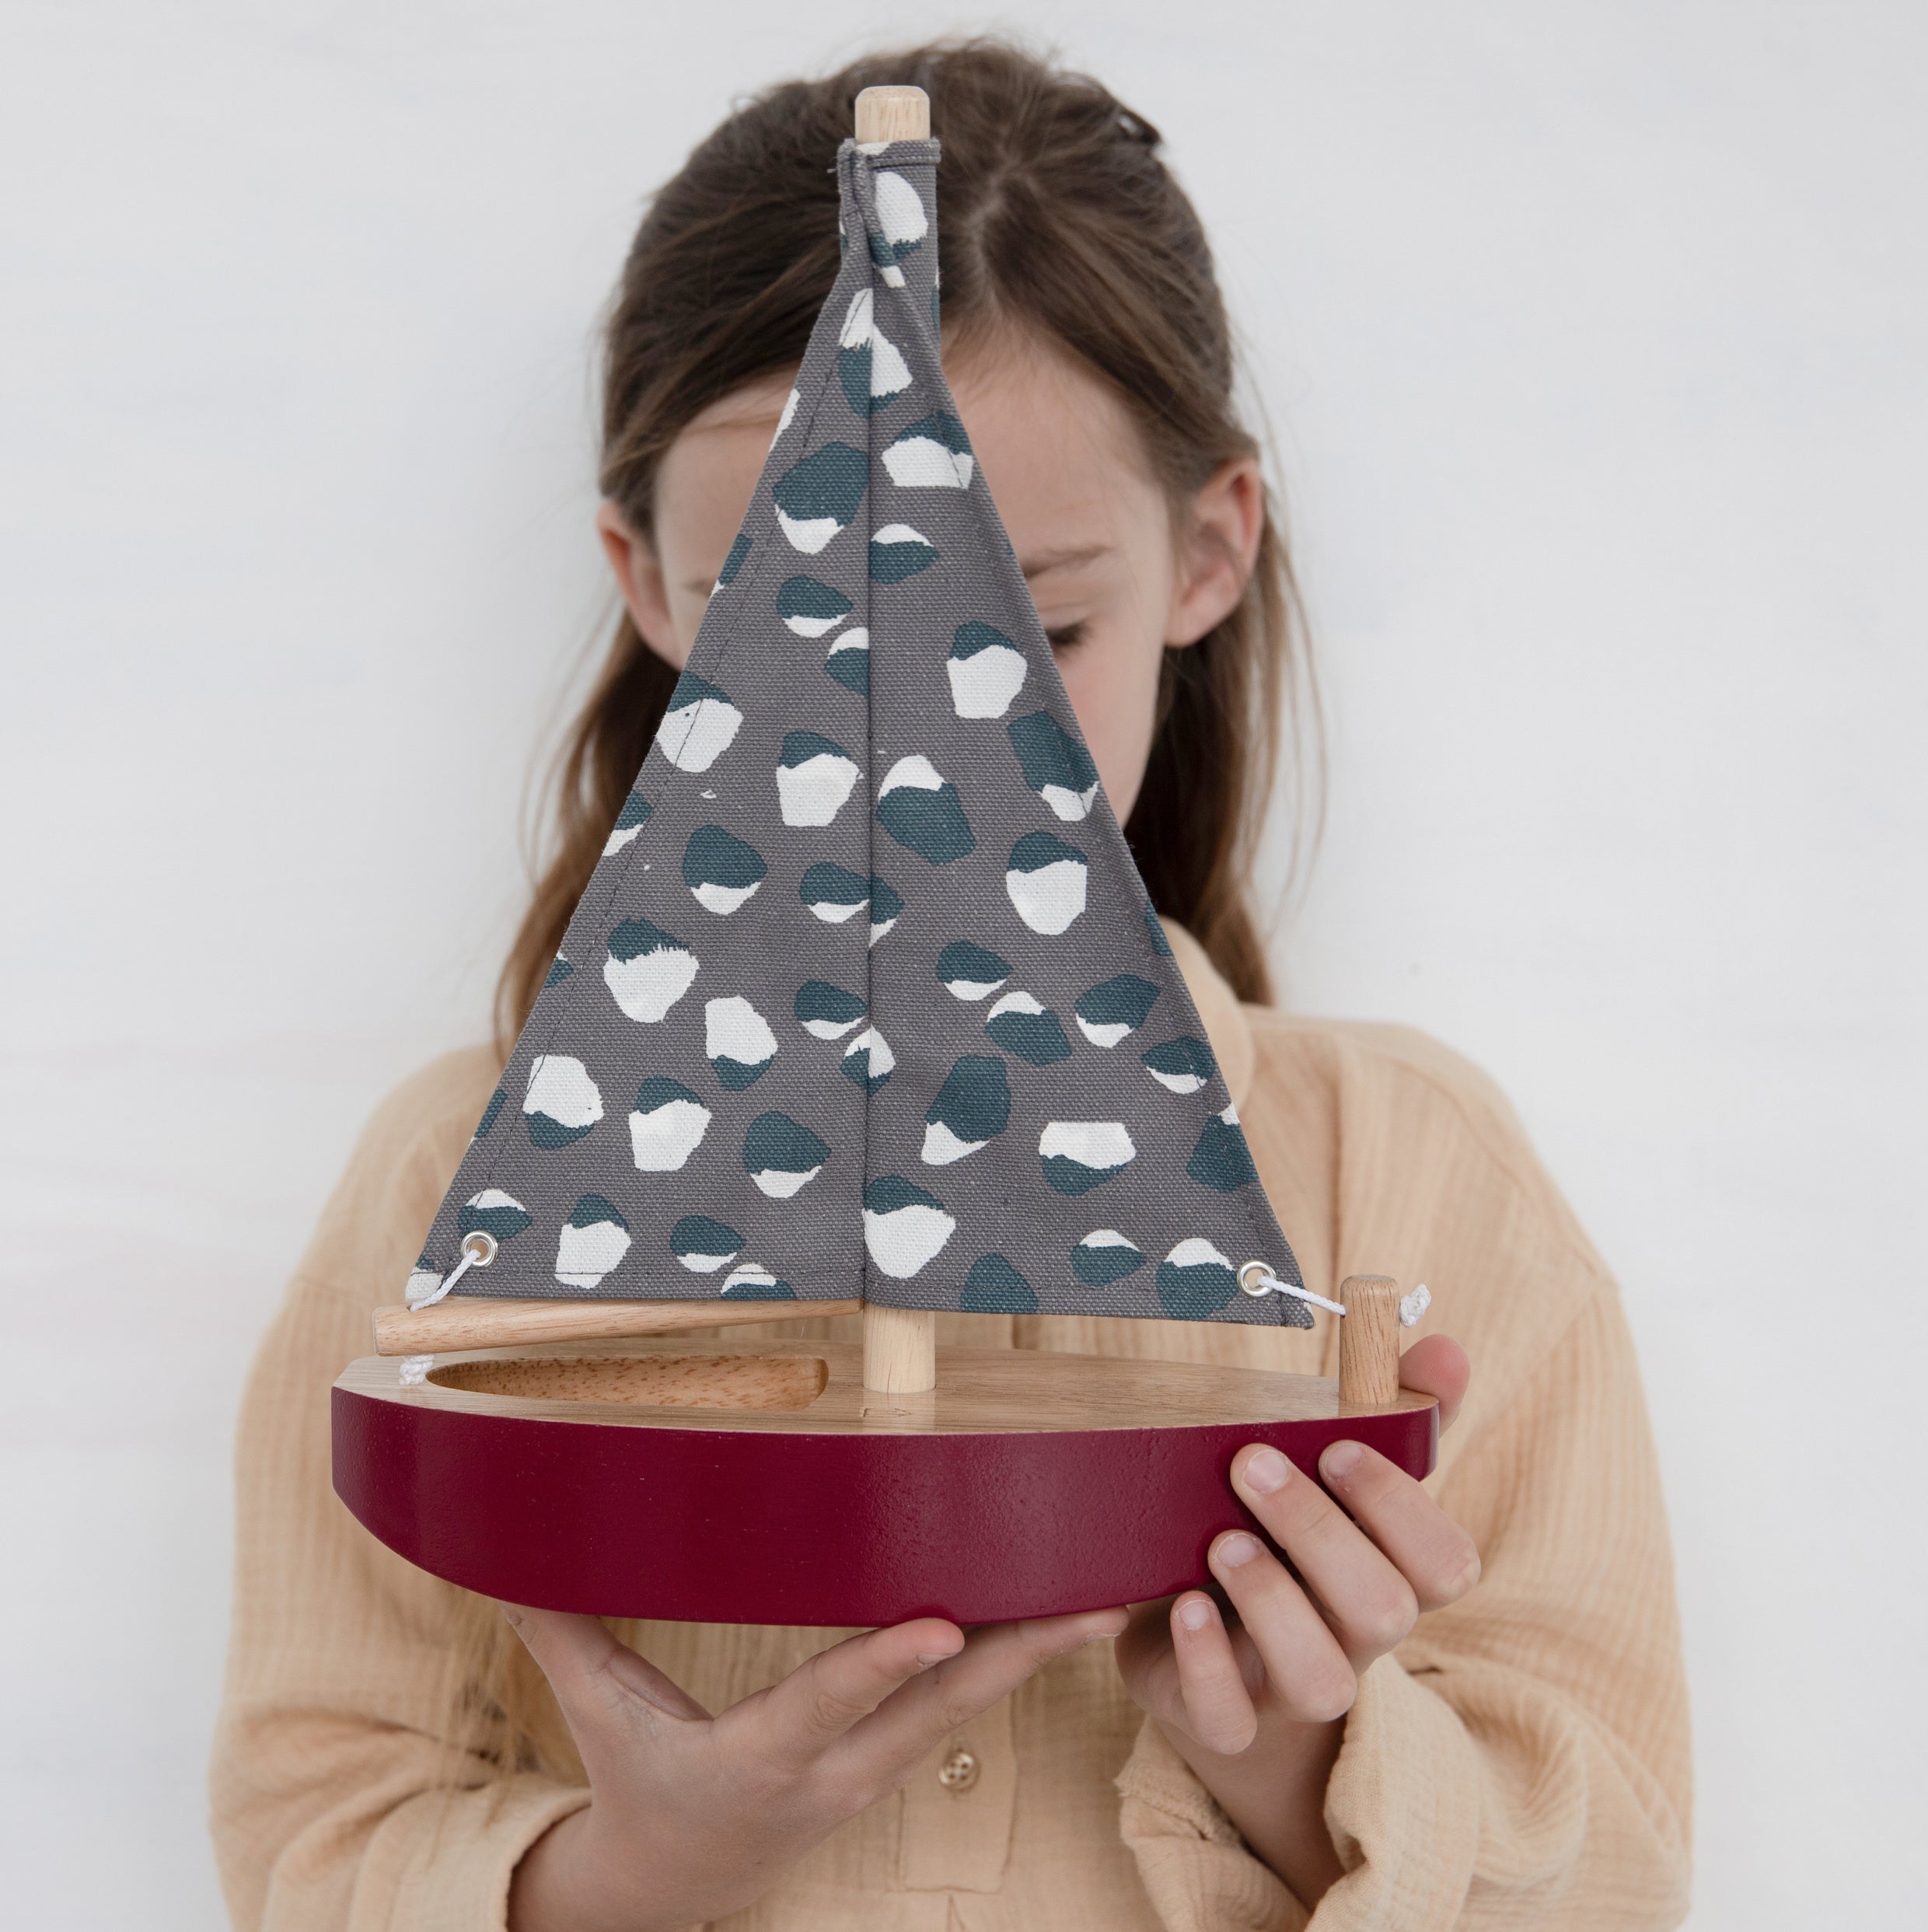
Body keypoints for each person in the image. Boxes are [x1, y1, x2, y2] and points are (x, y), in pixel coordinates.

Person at [210, 41, 1691, 1931]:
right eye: (788, 631)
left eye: (1034, 632)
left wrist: (1298, 1762)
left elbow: (1625, 1868)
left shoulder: (1412, 1170)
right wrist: (644, 1864)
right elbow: (306, 1833)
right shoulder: (447, 1185)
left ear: (1207, 552)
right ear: (651, 588)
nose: (925, 751)